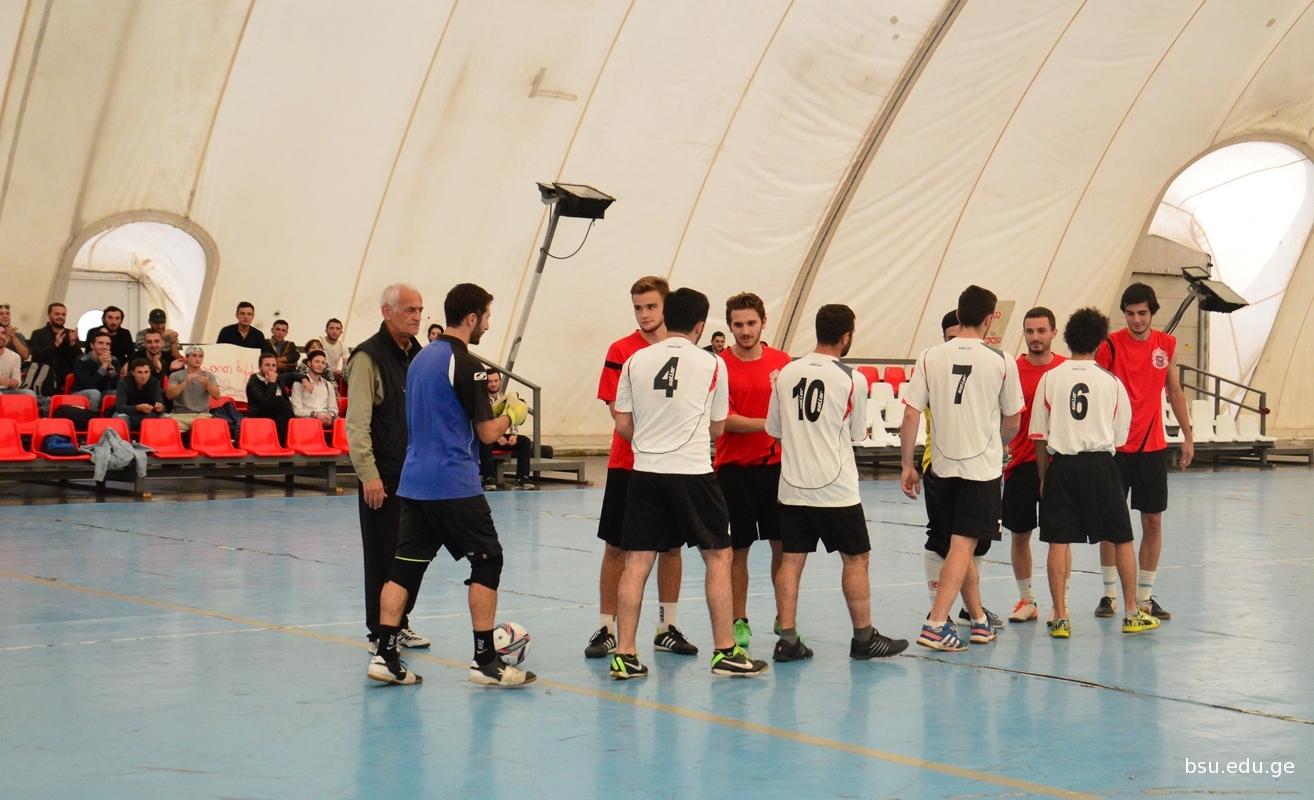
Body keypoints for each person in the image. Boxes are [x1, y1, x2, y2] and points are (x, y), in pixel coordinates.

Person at [368, 282, 536, 688]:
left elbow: (443, 414)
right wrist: (512, 414)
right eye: (487, 317)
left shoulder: (421, 358)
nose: (488, 326)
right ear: (472, 317)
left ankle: (384, 655)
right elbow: (487, 434)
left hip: (415, 481)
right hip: (453, 483)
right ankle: (485, 661)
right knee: (488, 560)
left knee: (404, 568)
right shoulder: (467, 363)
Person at [609, 287, 768, 680]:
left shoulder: (635, 360)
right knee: (718, 557)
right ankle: (725, 651)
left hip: (645, 473)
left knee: (638, 561)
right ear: (700, 325)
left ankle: (625, 654)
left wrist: (650, 445)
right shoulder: (713, 363)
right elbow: (717, 427)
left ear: (666, 317)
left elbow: (623, 422)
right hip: (693, 473)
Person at [767, 304, 909, 662]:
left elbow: (775, 430)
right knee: (856, 559)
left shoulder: (785, 372)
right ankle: (864, 638)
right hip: (835, 489)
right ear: (846, 336)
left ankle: (787, 639)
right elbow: (858, 434)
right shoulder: (851, 378)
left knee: (790, 560)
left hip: (792, 485)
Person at [901, 285, 1024, 652]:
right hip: (980, 471)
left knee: (961, 544)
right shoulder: (1002, 360)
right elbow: (1014, 421)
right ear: (989, 319)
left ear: (958, 315)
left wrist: (907, 464)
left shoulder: (929, 356)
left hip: (941, 468)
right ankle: (936, 623)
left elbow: (911, 414)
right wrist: (997, 445)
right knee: (961, 546)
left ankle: (979, 620)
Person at [1030, 307, 1161, 638]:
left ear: (1066, 338)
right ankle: (1131, 613)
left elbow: (1039, 437)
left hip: (1061, 466)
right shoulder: (1111, 382)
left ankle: (1061, 617)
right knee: (1122, 539)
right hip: (1101, 464)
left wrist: (1044, 478)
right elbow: (1120, 436)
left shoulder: (1050, 378)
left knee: (1058, 542)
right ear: (1101, 342)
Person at [585, 276, 693, 661]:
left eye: (651, 306)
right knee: (616, 547)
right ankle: (607, 628)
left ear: (666, 307)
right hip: (628, 464)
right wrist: (653, 441)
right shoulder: (621, 350)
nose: (644, 314)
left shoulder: (685, 354)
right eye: (638, 307)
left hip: (672, 466)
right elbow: (618, 413)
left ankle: (667, 627)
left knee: (671, 547)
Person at [1094, 283, 1194, 620]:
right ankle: (1109, 594)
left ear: (1152, 312)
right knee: (1112, 521)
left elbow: (1174, 391)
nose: (1136, 319)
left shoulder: (1166, 345)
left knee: (1152, 521)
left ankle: (1145, 597)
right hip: (1114, 448)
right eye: (1130, 313)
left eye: (1142, 313)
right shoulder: (1110, 345)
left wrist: (1188, 436)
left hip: (1152, 448)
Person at [345, 284, 428, 655]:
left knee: (411, 554)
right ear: (387, 312)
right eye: (409, 310)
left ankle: (400, 623)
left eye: (420, 310)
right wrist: (369, 475)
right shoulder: (368, 357)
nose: (417, 316)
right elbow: (357, 424)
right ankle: (380, 633)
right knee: (382, 555)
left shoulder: (418, 354)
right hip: (384, 476)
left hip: (416, 475)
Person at [713, 292, 791, 650]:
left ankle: (784, 616)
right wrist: (769, 424)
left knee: (784, 547)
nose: (745, 331)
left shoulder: (782, 363)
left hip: (777, 469)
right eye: (738, 324)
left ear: (763, 322)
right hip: (733, 471)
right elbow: (724, 419)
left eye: (751, 323)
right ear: (729, 326)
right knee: (736, 550)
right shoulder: (719, 366)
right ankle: (738, 620)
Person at [919, 310, 1003, 631]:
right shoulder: (935, 369)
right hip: (940, 465)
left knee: (976, 540)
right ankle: (938, 614)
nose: (958, 343)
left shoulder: (987, 365)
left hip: (979, 466)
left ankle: (972, 610)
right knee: (944, 538)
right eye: (951, 338)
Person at [1002, 308, 1066, 623]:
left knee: (1060, 539)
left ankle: (1060, 606)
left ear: (1054, 332)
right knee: (1019, 535)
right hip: (1020, 465)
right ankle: (1027, 600)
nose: (1035, 337)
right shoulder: (1011, 370)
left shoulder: (1066, 370)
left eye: (1041, 331)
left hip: (1058, 465)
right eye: (1030, 331)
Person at [479, 369, 534, 490]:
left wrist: (513, 435)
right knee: (485, 443)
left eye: (496, 381)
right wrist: (496, 436)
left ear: (500, 381)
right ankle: (489, 479)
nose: (493, 384)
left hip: (501, 437)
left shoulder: (507, 399)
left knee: (524, 442)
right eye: (490, 381)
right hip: (487, 437)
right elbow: (480, 423)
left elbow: (512, 416)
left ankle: (522, 478)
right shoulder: (481, 400)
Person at [165, 346, 220, 433]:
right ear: (186, 358)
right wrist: (185, 383)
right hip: (180, 415)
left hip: (202, 415)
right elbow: (169, 395)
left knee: (206, 431)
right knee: (165, 430)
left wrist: (207, 385)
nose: (197, 359)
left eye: (200, 356)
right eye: (194, 355)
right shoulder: (176, 375)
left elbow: (217, 396)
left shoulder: (208, 376)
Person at [245, 353, 296, 443]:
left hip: (275, 416)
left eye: (273, 365)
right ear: (259, 367)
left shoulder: (278, 377)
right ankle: (296, 427)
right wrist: (271, 383)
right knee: (278, 400)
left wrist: (304, 379)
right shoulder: (253, 383)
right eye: (267, 365)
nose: (271, 368)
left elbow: (293, 375)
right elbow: (266, 401)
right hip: (258, 416)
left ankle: (284, 446)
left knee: (281, 419)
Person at [28, 303, 81, 383]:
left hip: (69, 375)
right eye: (57, 314)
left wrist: (73, 344)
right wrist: (55, 345)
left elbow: (79, 359)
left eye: (63, 314)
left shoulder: (70, 334)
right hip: (46, 374)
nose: (60, 317)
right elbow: (37, 356)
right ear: (49, 316)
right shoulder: (38, 334)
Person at [72, 330, 119, 410]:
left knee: (120, 393)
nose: (104, 347)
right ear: (92, 345)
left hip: (103, 393)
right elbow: (89, 386)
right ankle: (91, 417)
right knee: (94, 393)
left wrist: (110, 368)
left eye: (108, 344)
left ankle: (110, 416)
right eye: (100, 343)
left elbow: (117, 386)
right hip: (81, 393)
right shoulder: (82, 360)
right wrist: (103, 367)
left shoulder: (114, 360)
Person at [291, 350, 338, 426]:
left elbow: (334, 408)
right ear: (309, 363)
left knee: (342, 423)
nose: (320, 365)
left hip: (326, 419)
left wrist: (329, 415)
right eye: (317, 362)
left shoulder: (328, 385)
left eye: (323, 363)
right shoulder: (298, 384)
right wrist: (315, 414)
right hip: (308, 420)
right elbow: (297, 411)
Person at [114, 359, 164, 430]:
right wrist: (138, 408)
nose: (143, 376)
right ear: (133, 372)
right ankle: (123, 437)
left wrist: (159, 407)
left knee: (166, 417)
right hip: (128, 414)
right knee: (121, 418)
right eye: (139, 372)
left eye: (146, 372)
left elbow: (162, 406)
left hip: (147, 416)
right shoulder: (123, 383)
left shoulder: (155, 383)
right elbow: (120, 408)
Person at [0, 327, 36, 400]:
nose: (1, 336)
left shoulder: (15, 356)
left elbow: (17, 380)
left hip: (7, 390)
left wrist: (14, 383)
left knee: (29, 393)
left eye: (3, 333)